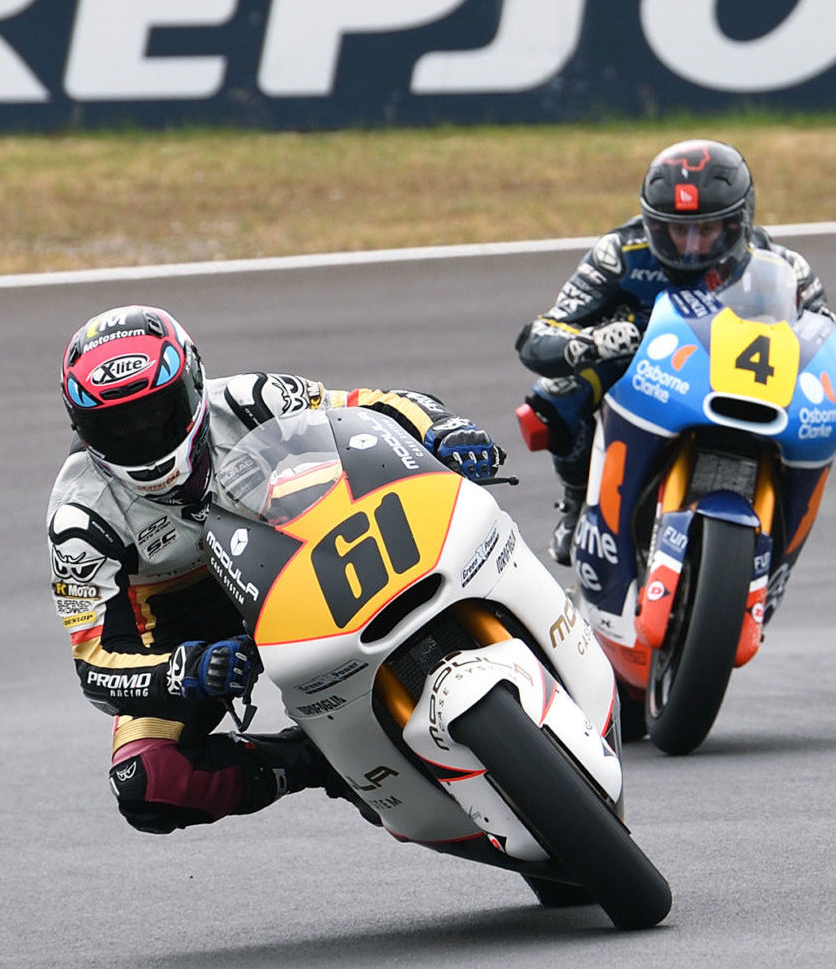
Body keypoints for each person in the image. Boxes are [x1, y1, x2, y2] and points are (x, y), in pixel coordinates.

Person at [47, 305, 504, 834]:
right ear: (80, 425)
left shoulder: (249, 400)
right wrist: (182, 669)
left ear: (193, 385)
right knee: (145, 782)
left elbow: (367, 409)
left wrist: (444, 429)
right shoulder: (78, 517)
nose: (142, 433)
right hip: (194, 637)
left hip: (303, 562)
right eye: (117, 425)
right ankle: (317, 760)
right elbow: (94, 663)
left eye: (157, 412)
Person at [515, 138, 836, 564]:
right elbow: (541, 332)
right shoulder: (620, 253)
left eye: (705, 230)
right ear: (654, 224)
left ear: (736, 224)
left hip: (739, 376)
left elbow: (831, 336)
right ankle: (577, 501)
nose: (691, 246)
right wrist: (590, 343)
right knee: (553, 391)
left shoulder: (782, 265)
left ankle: (774, 544)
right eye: (677, 230)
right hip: (642, 369)